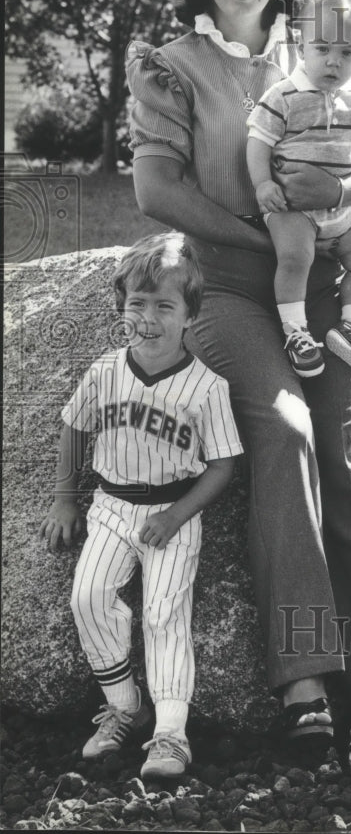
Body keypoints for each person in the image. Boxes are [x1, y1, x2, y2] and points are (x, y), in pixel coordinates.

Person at [126, 0, 351, 755]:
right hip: (226, 291)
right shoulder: (171, 65)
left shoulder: (317, 55)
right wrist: (264, 244)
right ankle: (302, 677)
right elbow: (154, 189)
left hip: (326, 290)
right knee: (290, 430)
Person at [39, 233, 243, 779]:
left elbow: (223, 465)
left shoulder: (206, 387)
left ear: (189, 315)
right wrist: (65, 499)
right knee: (89, 596)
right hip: (109, 504)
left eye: (164, 305)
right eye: (137, 303)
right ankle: (123, 707)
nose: (148, 317)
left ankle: (171, 735)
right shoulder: (106, 370)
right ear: (121, 308)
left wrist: (178, 515)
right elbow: (73, 428)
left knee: (164, 616)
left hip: (174, 513)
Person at [246, 0, 351, 378]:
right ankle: (296, 333)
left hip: (346, 210)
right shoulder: (284, 97)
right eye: (323, 48)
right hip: (294, 209)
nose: (334, 61)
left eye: (347, 52)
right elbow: (258, 143)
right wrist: (263, 184)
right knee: (296, 259)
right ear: (301, 47)